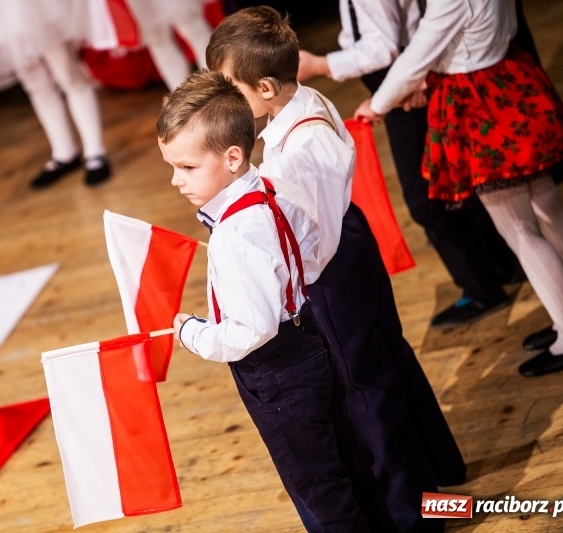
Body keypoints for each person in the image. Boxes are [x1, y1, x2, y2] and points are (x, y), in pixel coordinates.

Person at [207, 7, 465, 531]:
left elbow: (310, 234)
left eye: (229, 86)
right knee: (383, 366)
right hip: (343, 246)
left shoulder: (299, 145)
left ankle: (415, 516)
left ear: (263, 87)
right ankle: (433, 475)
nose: (225, 99)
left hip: (329, 269)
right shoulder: (293, 109)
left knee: (367, 389)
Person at [160, 69, 396, 532]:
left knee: (318, 488)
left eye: (186, 167)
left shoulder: (232, 235)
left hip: (275, 369)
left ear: (231, 157)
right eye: (172, 167)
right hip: (311, 338)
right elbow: (310, 240)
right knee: (348, 462)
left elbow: (251, 330)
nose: (175, 181)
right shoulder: (271, 185)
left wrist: (193, 333)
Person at [354, 0, 563, 377]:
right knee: (549, 208)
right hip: (508, 76)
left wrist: (379, 104)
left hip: (479, 99)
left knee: (520, 229)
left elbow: (421, 50)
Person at [297, 0, 525, 329]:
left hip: (407, 87)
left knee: (428, 199)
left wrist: (320, 64)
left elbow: (383, 48)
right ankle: (500, 267)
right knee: (446, 186)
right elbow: (367, 34)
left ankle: (483, 286)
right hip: (405, 81)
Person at [0, 0, 111, 188]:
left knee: (67, 72)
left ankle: (95, 151)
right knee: (34, 81)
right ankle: (64, 152)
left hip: (35, 6)